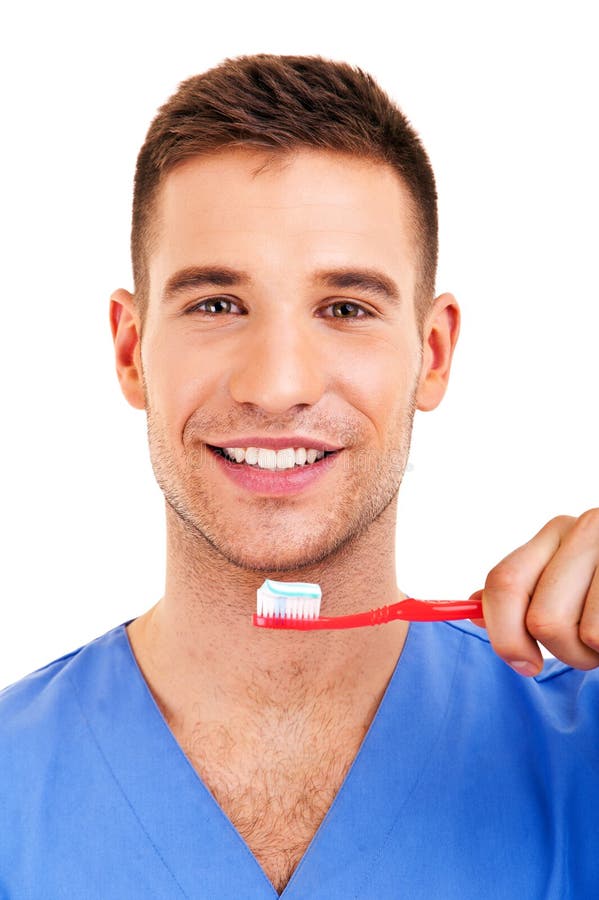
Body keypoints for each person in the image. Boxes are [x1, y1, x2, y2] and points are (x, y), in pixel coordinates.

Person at [1, 53, 598, 900]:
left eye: (346, 308)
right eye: (215, 304)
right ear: (131, 350)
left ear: (432, 355)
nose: (276, 384)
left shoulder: (584, 756)